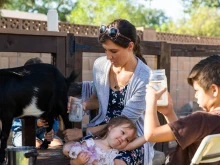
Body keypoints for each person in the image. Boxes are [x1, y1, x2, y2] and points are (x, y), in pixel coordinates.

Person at [63, 19, 154, 165]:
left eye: (113, 51)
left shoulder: (144, 78)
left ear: (130, 46)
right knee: (71, 151)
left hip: (128, 136)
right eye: (105, 50)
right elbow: (97, 99)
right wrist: (83, 105)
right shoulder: (100, 66)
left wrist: (84, 132)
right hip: (103, 129)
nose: (108, 56)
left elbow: (124, 123)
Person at [129, 54, 220, 165]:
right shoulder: (212, 121)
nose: (196, 96)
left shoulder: (201, 119)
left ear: (214, 90)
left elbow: (151, 135)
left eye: (197, 90)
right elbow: (184, 135)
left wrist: (150, 102)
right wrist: (169, 113)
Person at [11, 57, 63, 148]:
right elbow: (16, 121)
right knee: (34, 144)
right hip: (22, 132)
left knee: (57, 143)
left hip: (43, 132)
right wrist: (36, 123)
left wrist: (51, 131)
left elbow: (54, 117)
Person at [63, 116, 138, 165]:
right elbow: (72, 160)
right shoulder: (90, 143)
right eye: (122, 132)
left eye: (127, 140)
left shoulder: (116, 152)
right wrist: (78, 162)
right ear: (111, 127)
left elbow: (136, 144)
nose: (123, 139)